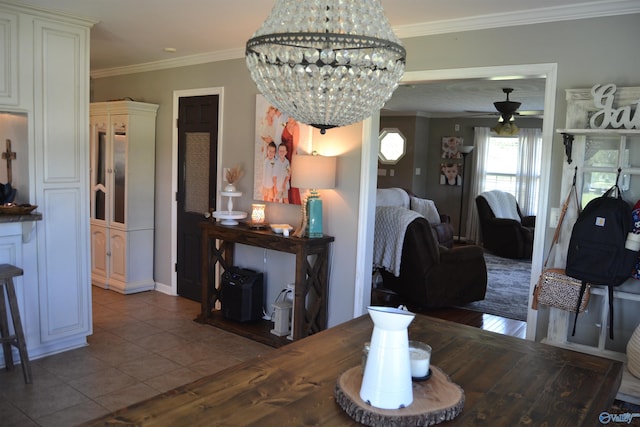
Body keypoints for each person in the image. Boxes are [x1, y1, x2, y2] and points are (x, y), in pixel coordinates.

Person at [281, 117, 301, 204]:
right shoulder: (286, 124)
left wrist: (292, 164)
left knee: (291, 180)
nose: (289, 117)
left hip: (291, 156)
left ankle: (294, 203)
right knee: (284, 180)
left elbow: (294, 148)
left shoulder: (296, 127)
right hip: (284, 155)